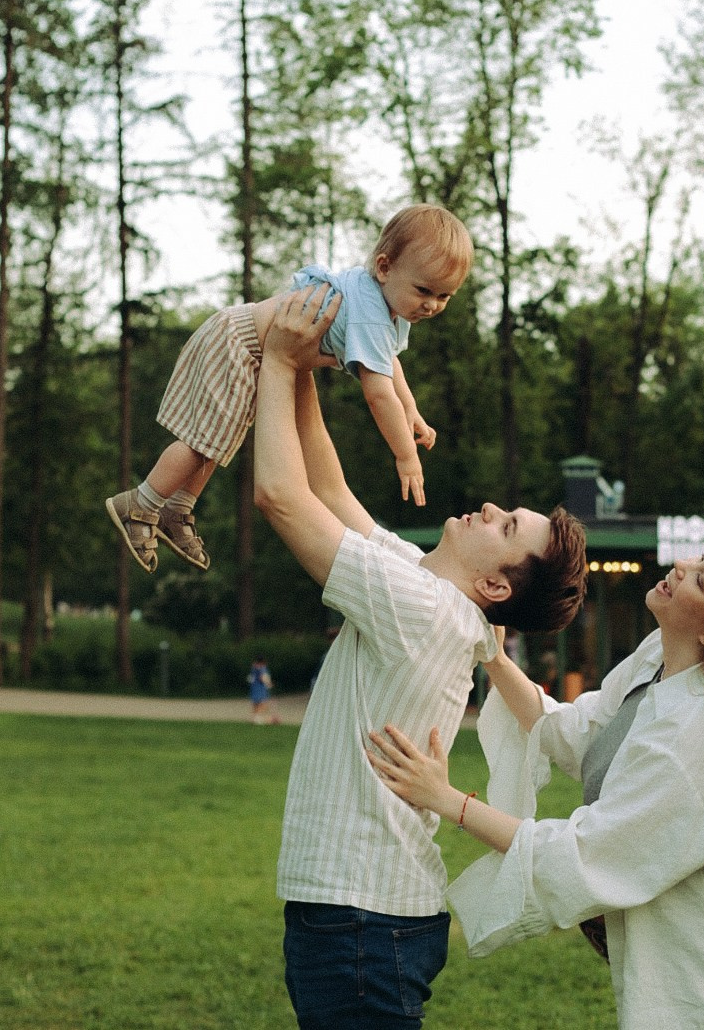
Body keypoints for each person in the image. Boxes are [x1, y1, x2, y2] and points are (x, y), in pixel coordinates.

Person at [369, 544, 704, 1030]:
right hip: (672, 961)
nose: (683, 567)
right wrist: (496, 657)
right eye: (701, 556)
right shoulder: (660, 659)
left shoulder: (699, 736)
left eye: (702, 579)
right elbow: (579, 734)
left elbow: (586, 852)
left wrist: (446, 799)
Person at [252, 286, 588, 1030]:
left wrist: (276, 361)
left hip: (361, 919)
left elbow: (281, 495)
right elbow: (330, 488)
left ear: (495, 582)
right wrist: (313, 363)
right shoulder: (419, 583)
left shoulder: (425, 609)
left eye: (504, 525)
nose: (489, 508)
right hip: (359, 914)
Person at [105, 204, 473, 574]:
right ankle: (140, 503)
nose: (431, 305)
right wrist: (405, 455)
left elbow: (390, 365)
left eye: (444, 297)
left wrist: (412, 413)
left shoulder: (392, 307)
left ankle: (177, 507)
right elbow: (378, 394)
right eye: (424, 290)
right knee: (201, 444)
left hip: (256, 350)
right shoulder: (370, 310)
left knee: (218, 443)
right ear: (384, 267)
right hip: (240, 341)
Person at [248, 655, 280, 724]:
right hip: (260, 687)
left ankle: (254, 718)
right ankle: (258, 718)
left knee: (256, 703)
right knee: (263, 703)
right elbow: (262, 677)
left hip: (254, 687)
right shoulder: (262, 668)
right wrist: (269, 684)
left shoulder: (253, 667)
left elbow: (251, 678)